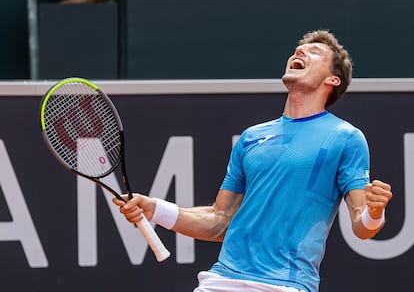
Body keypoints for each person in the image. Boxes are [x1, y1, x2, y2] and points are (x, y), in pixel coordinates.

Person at [112, 29, 393, 292]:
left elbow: (362, 226)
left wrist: (375, 211)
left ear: (332, 80)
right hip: (221, 280)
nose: (300, 51)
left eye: (314, 51)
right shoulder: (251, 138)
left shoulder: (345, 137)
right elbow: (220, 221)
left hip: (284, 284)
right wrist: (156, 209)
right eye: (299, 48)